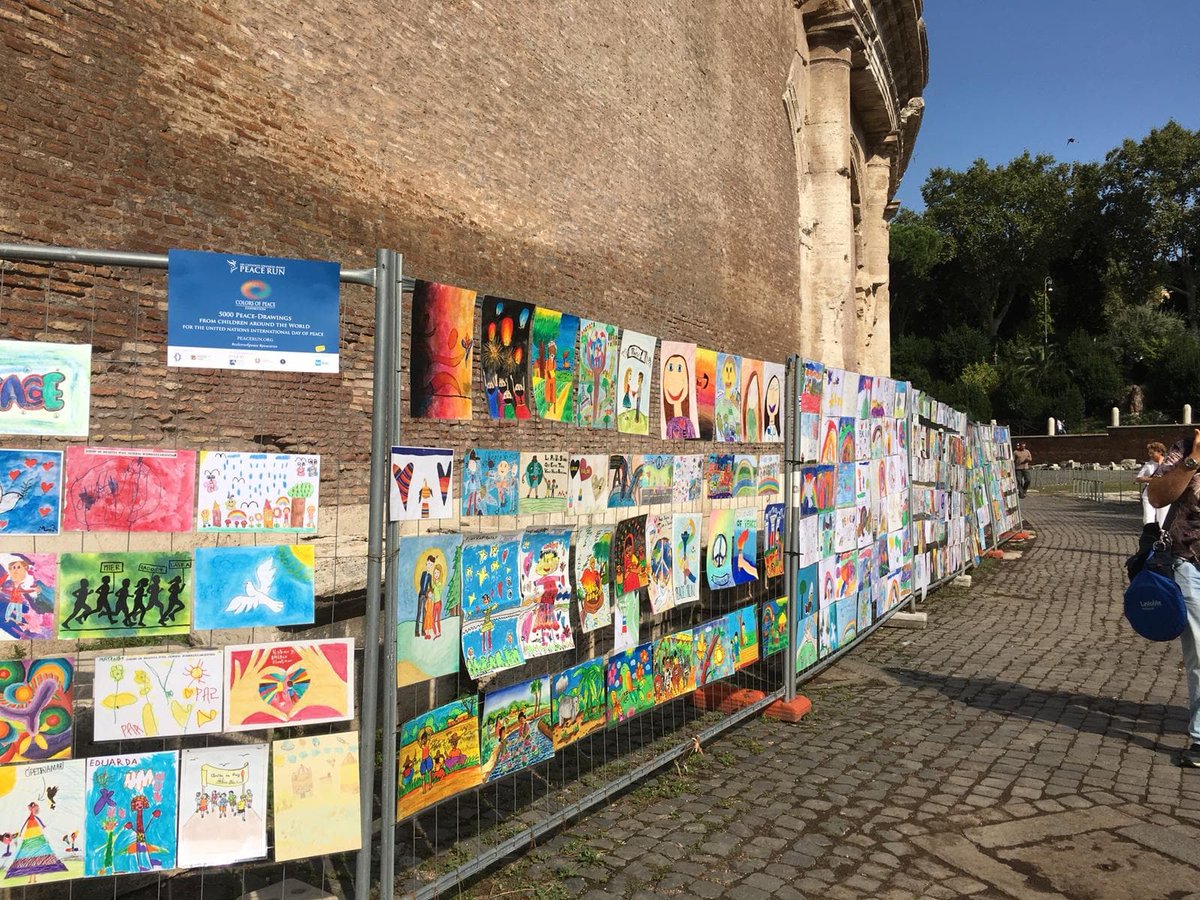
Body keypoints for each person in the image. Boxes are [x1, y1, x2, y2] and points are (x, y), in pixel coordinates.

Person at [1147, 429, 1200, 767]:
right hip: (1189, 561)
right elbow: (1156, 496)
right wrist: (1193, 461)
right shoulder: (1186, 448)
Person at [1135, 442, 1169, 533]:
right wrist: (1152, 479)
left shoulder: (1169, 464)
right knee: (1148, 517)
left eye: (1152, 453)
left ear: (1159, 452)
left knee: (1163, 517)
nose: (1150, 455)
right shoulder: (1148, 465)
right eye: (1149, 453)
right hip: (1149, 492)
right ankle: (1149, 535)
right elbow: (1138, 478)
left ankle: (1162, 535)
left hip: (1164, 493)